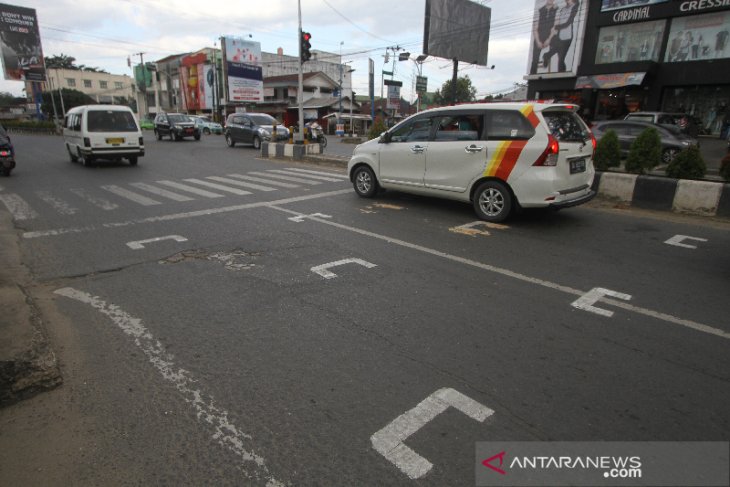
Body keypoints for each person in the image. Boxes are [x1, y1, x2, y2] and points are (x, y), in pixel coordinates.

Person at [543, 0, 580, 73]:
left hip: (567, 36)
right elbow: (558, 21)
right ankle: (547, 56)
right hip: (559, 36)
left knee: (561, 59)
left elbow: (568, 22)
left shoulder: (575, 7)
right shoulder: (563, 9)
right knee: (561, 59)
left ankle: (547, 55)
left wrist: (557, 27)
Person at [530, 0, 558, 74]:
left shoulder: (557, 9)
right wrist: (538, 41)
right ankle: (533, 76)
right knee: (535, 60)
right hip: (539, 36)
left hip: (550, 36)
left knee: (559, 45)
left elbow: (555, 26)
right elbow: (535, 28)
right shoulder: (540, 10)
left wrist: (549, 39)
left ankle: (547, 56)